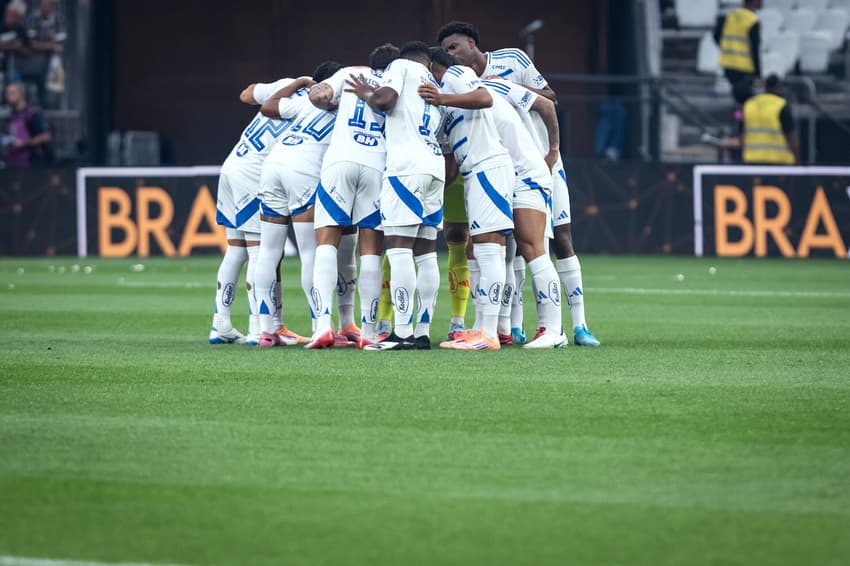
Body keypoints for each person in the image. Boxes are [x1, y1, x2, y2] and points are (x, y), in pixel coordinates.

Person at [438, 21, 601, 347]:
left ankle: (560, 328)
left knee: (537, 246)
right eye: (446, 53)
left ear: (471, 43)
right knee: (497, 248)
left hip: (532, 166)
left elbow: (547, 101)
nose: (452, 56)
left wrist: (553, 150)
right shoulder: (460, 96)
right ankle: (500, 328)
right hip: (506, 172)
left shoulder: (499, 78)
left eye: (454, 47)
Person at [345, 41, 445, 351]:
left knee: (399, 248)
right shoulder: (434, 86)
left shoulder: (400, 67)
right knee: (426, 253)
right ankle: (422, 330)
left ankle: (401, 333)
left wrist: (367, 95)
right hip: (434, 168)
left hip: (406, 168)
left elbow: (386, 100)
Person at [417, 51, 515, 352]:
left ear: (432, 66)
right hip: (473, 173)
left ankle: (488, 333)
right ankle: (480, 328)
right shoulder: (444, 95)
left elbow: (485, 98)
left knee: (489, 250)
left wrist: (441, 98)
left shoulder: (456, 75)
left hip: (489, 166)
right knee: (482, 249)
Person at [305, 43, 400, 349]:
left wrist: (330, 105)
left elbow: (316, 95)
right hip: (376, 165)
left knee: (326, 244)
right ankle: (369, 333)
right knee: (370, 250)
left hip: (340, 161)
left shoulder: (349, 73)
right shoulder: (395, 84)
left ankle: (322, 325)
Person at [254, 60, 342, 348]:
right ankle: (321, 325)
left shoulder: (304, 100)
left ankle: (267, 329)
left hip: (273, 166)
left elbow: (267, 107)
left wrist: (297, 84)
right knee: (310, 252)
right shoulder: (347, 101)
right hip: (304, 171)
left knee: (268, 251)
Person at [207, 77, 297, 345]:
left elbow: (246, 94)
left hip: (231, 165)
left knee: (236, 249)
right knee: (260, 251)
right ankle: (258, 327)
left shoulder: (286, 85)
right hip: (252, 176)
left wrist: (290, 84)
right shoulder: (315, 103)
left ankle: (220, 323)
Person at [742, 74, 798, 165]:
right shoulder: (782, 106)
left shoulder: (748, 104)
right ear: (778, 87)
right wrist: (797, 158)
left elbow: (742, 133)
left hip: (752, 162)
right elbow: (791, 136)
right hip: (778, 163)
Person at [23, 0, 66, 109]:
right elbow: (31, 43)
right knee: (34, 89)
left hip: (54, 62)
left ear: (52, 7)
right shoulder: (33, 18)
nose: (44, 8)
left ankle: (53, 112)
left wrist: (41, 45)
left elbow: (60, 45)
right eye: (42, 5)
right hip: (34, 62)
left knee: (53, 89)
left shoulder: (58, 19)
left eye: (47, 5)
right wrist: (50, 46)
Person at [714, 0, 762, 93]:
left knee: (736, 95)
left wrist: (726, 47)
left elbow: (716, 36)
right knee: (744, 98)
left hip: (728, 63)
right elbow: (755, 48)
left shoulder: (729, 16)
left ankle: (737, 107)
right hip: (744, 67)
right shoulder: (752, 20)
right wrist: (758, 74)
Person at [2, 81, 51, 168]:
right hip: (13, 164)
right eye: (7, 93)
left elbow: (46, 136)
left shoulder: (33, 113)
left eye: (12, 93)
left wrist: (24, 143)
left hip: (31, 164)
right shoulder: (11, 116)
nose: (8, 96)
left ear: (21, 94)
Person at [0, 2, 29, 85]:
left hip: (16, 71)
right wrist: (12, 46)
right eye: (7, 13)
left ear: (18, 17)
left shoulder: (21, 31)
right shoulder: (1, 28)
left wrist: (18, 48)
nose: (8, 17)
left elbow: (28, 52)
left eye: (11, 15)